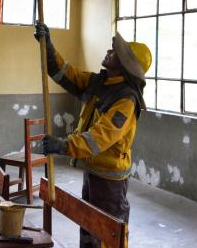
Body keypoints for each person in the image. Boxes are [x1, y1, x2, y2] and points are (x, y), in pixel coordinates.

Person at [34, 22, 151, 248]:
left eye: (115, 52)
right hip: (93, 171)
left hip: (110, 180)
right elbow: (65, 74)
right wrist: (47, 46)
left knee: (107, 233)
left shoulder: (126, 99)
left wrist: (63, 145)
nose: (109, 51)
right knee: (88, 226)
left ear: (126, 65)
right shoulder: (99, 82)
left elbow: (99, 137)